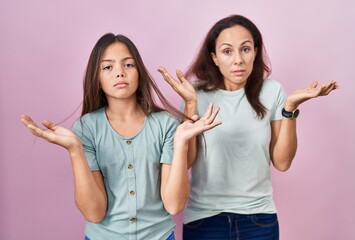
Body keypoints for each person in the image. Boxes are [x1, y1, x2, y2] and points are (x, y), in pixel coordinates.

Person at [20, 33, 221, 240]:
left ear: (139, 73)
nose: (119, 73)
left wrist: (180, 143)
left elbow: (174, 205)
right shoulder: (86, 128)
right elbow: (93, 213)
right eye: (108, 67)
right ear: (97, 79)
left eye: (128, 65)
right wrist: (75, 151)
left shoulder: (166, 124)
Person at [158, 14, 339, 240]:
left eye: (245, 49)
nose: (238, 60)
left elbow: (282, 162)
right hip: (204, 219)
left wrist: (290, 108)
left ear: (255, 51)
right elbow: (186, 162)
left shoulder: (272, 92)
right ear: (214, 57)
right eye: (227, 51)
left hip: (259, 219)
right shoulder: (196, 94)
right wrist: (192, 105)